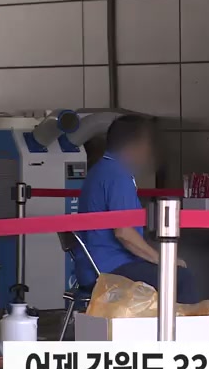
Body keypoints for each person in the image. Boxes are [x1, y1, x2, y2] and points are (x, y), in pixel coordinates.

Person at [76, 115, 199, 303]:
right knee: (182, 278)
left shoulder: (99, 171)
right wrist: (165, 260)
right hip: (111, 269)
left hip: (91, 267)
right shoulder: (118, 176)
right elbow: (124, 233)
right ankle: (176, 323)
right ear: (134, 146)